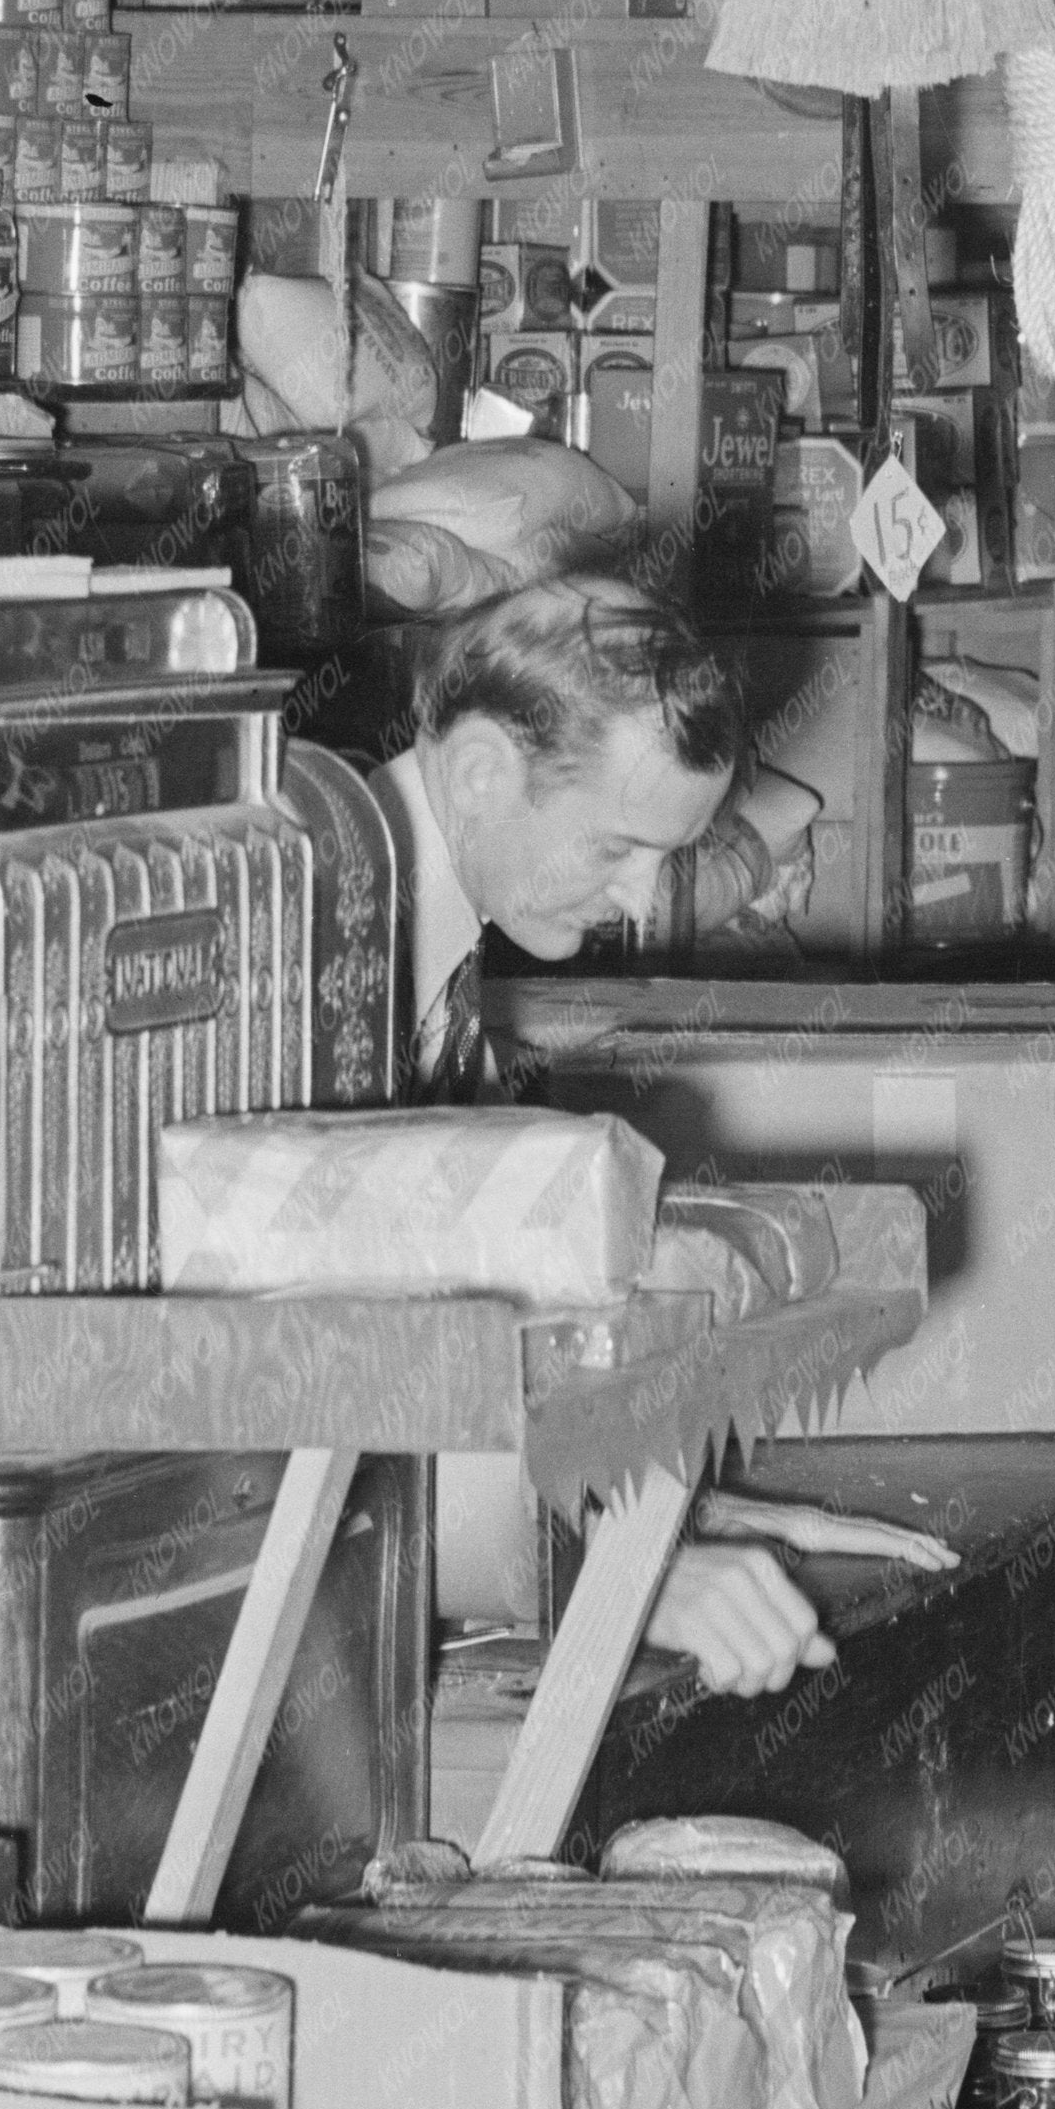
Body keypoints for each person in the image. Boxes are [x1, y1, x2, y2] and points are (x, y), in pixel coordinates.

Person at [386, 575, 831, 1701]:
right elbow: (291, 1401)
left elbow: (470, 1305)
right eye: (616, 849)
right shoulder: (320, 939)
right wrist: (613, 1575)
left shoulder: (430, 921)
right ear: (485, 771)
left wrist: (640, 1496)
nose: (639, 904)